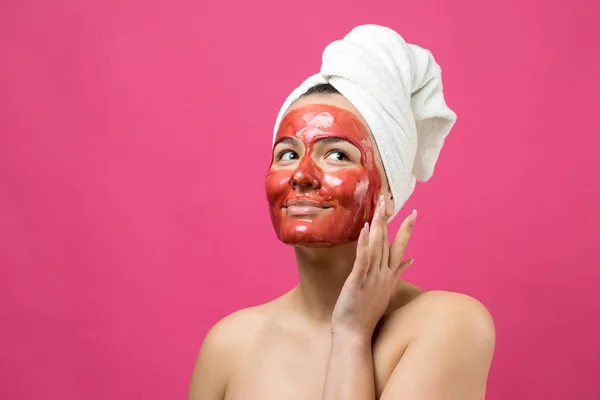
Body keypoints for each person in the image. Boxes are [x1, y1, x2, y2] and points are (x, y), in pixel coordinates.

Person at [188, 25, 495, 400]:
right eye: (287, 153)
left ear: (389, 190)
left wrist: (351, 334)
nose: (301, 175)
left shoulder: (448, 325)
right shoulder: (228, 346)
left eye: (337, 155)